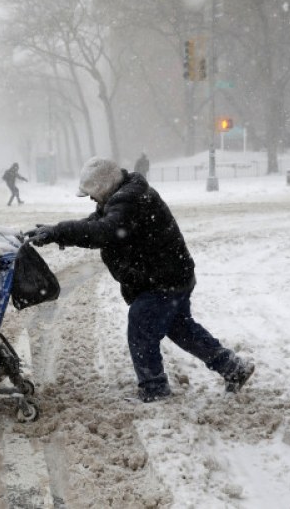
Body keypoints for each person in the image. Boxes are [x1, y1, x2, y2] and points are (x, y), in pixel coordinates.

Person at [25, 156, 254, 402]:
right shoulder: (123, 196)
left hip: (162, 280)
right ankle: (233, 368)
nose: (91, 198)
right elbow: (97, 223)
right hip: (170, 275)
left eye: (92, 192)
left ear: (104, 184)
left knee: (142, 327)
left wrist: (59, 232)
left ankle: (154, 389)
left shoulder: (129, 199)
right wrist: (56, 231)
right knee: (181, 328)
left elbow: (104, 231)